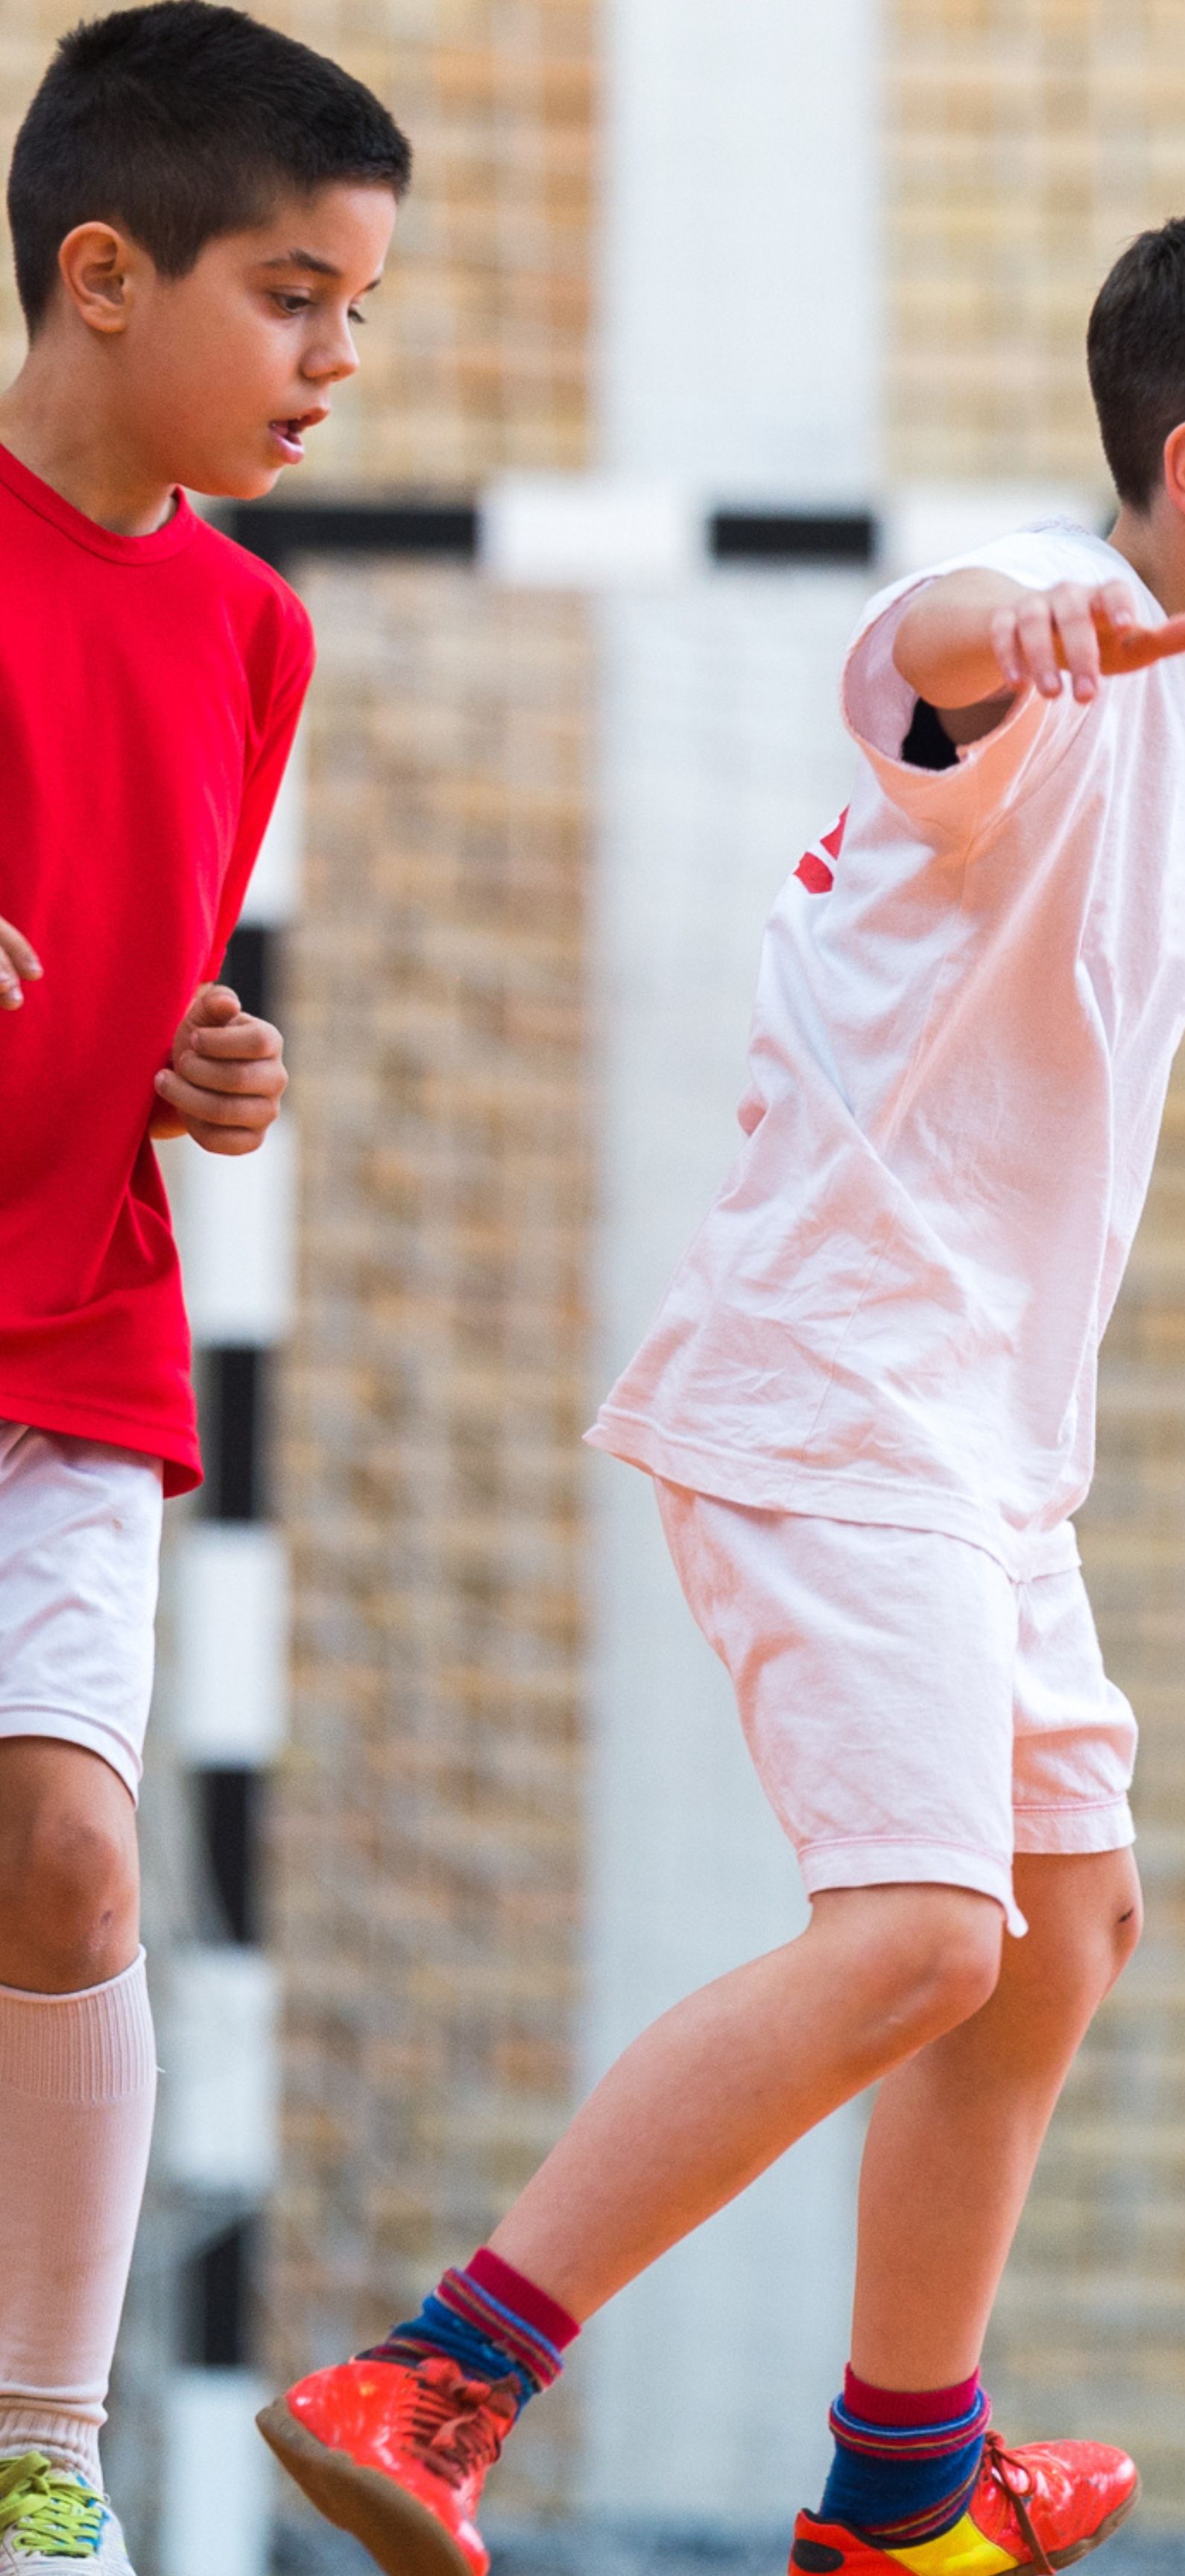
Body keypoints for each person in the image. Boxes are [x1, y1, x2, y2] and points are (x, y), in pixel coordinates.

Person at [258, 190, 1185, 2576]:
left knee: (1065, 1923)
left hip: (984, 1456)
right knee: (926, 1935)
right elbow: (932, 659)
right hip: (837, 1402)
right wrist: (1011, 630)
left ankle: (906, 2490)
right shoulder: (1040, 665)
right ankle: (439, 2372)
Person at [0, 11, 387, 2572]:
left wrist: (204, 1062)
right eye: (295, 297)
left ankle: (45, 2441)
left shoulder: (255, 632)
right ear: (103, 273)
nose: (339, 361)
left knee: (68, 1853)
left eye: (363, 310)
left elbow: (132, 968)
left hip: (80, 1320)